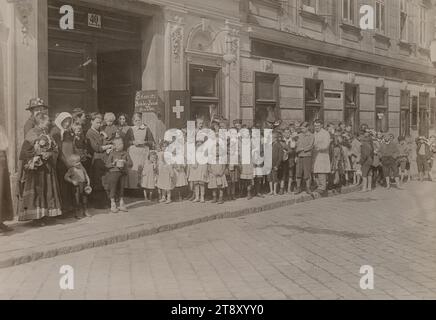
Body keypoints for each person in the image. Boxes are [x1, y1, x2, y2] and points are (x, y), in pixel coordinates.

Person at [18, 113, 62, 225]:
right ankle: (36, 217)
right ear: (40, 122)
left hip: (47, 167)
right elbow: (25, 151)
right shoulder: (31, 133)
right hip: (37, 169)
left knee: (47, 191)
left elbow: (55, 148)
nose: (48, 124)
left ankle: (46, 214)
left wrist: (50, 154)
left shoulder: (46, 133)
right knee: (38, 191)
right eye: (46, 122)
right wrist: (37, 155)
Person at [86, 113, 113, 209]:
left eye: (100, 122)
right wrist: (107, 147)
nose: (99, 124)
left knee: (104, 179)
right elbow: (96, 148)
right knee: (97, 180)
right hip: (96, 158)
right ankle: (98, 203)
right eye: (97, 122)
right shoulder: (90, 133)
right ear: (91, 122)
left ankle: (105, 201)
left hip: (103, 158)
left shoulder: (100, 132)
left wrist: (105, 136)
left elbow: (107, 142)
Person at [51, 112, 75, 216]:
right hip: (61, 162)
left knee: (69, 185)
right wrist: (65, 161)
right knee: (62, 185)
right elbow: (58, 149)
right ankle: (63, 210)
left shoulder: (68, 132)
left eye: (69, 121)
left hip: (69, 161)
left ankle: (70, 207)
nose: (67, 123)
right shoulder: (56, 131)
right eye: (65, 121)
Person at [125, 113, 155, 189]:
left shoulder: (146, 129)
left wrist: (145, 142)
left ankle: (143, 187)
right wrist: (132, 142)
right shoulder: (131, 129)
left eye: (139, 120)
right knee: (134, 170)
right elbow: (125, 142)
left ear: (141, 120)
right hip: (133, 153)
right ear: (133, 121)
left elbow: (151, 141)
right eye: (136, 120)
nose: (137, 122)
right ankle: (133, 188)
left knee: (143, 170)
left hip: (143, 152)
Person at [105, 137, 133, 213]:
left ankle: (121, 203)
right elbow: (107, 164)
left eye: (122, 143)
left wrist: (125, 162)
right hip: (114, 172)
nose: (122, 145)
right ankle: (113, 204)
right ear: (115, 145)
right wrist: (113, 163)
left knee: (121, 188)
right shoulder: (112, 153)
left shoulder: (125, 153)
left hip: (123, 173)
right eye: (120, 144)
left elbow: (131, 163)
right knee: (113, 188)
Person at [64, 154, 91, 219]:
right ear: (72, 163)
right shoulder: (71, 169)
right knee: (77, 200)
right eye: (77, 162)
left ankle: (85, 210)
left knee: (85, 199)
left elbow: (86, 174)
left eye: (79, 161)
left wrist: (88, 182)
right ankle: (77, 213)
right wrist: (72, 181)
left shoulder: (82, 167)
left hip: (84, 185)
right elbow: (66, 177)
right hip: (77, 186)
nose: (79, 163)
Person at [313, 119, 331, 197]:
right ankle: (318, 186)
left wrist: (318, 147)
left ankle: (322, 187)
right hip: (315, 155)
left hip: (323, 155)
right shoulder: (314, 133)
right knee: (315, 171)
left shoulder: (325, 133)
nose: (316, 127)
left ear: (321, 125)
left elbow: (326, 145)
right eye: (315, 126)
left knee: (321, 171)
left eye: (317, 125)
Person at [0, 125, 13, 233]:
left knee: (3, 191)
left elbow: (5, 145)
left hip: (2, 161)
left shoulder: (1, 128)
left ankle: (1, 221)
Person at [295, 122, 314, 195]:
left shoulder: (311, 136)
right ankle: (298, 187)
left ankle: (308, 188)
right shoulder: (299, 135)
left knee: (307, 173)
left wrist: (302, 149)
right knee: (298, 173)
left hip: (307, 156)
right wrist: (297, 151)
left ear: (307, 128)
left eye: (303, 128)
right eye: (301, 128)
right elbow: (296, 146)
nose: (302, 129)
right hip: (299, 156)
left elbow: (310, 146)